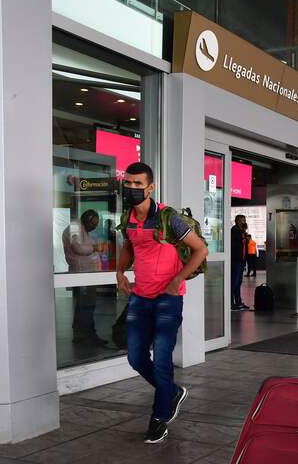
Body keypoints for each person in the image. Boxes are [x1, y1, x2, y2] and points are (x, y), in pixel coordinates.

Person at [116, 162, 209, 444]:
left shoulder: (168, 217)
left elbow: (200, 250)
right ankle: (172, 392)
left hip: (168, 298)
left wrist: (176, 279)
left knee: (162, 359)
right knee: (135, 357)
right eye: (128, 183)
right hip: (140, 297)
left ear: (151, 187)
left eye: (138, 184)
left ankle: (159, 418)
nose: (132, 189)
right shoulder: (128, 218)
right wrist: (120, 271)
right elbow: (129, 245)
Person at [63, 210, 106, 346]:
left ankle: (85, 335)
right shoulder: (75, 228)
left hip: (86, 272)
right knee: (86, 306)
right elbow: (78, 248)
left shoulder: (81, 229)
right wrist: (95, 247)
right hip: (82, 273)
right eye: (93, 223)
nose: (94, 227)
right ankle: (85, 336)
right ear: (87, 219)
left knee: (85, 306)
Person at [230, 215, 250, 311]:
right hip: (236, 260)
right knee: (234, 282)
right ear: (237, 221)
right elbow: (236, 243)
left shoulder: (242, 232)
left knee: (239, 282)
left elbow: (244, 243)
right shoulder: (234, 231)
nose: (244, 222)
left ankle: (238, 302)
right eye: (242, 220)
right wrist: (243, 238)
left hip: (242, 259)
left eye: (244, 220)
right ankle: (231, 302)